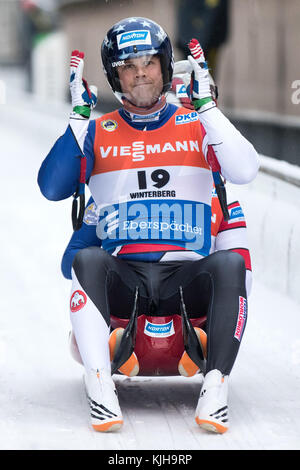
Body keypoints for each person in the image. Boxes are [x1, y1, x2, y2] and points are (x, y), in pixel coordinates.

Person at [38, 17, 259, 434]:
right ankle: (101, 389)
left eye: (149, 63)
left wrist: (209, 107)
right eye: (127, 65)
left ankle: (216, 389)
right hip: (128, 279)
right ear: (114, 75)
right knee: (88, 259)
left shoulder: (197, 123)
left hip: (186, 278)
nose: (140, 72)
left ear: (164, 66)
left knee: (230, 263)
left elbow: (246, 169)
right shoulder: (99, 130)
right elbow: (51, 187)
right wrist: (78, 119)